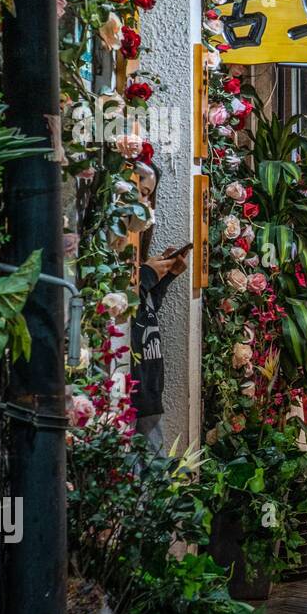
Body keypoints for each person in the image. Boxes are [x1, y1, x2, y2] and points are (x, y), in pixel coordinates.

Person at [131, 164, 189, 453]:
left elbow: (147, 307)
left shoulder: (137, 261)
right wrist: (149, 275)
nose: (145, 204)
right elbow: (128, 304)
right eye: (140, 192)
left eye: (148, 196)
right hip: (134, 388)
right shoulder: (122, 261)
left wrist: (164, 277)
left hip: (149, 388)